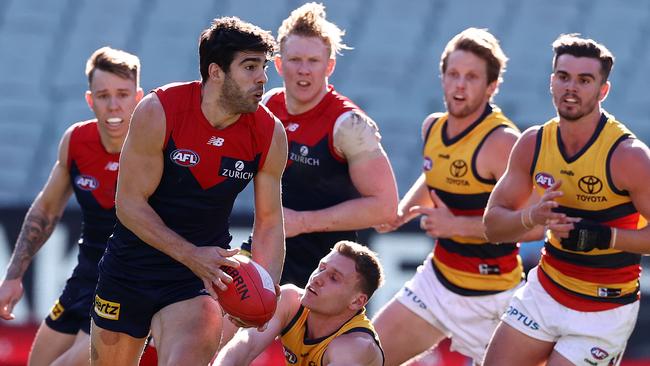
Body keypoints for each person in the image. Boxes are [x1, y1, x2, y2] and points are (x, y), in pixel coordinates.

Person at [89, 17, 287, 366]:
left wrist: (264, 291)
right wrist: (190, 253)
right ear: (215, 72)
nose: (262, 79)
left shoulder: (270, 133)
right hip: (131, 266)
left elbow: (270, 222)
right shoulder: (160, 111)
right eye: (250, 67)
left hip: (200, 278)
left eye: (263, 67)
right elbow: (129, 205)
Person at [372, 28, 541, 366]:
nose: (459, 85)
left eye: (472, 77)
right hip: (435, 283)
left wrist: (457, 225)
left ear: (492, 86)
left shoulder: (503, 142)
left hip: (493, 300)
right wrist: (404, 210)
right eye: (453, 74)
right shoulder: (433, 127)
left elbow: (536, 226)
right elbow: (434, 172)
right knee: (360, 356)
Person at [482, 34, 650, 366]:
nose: (571, 87)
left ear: (603, 90)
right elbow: (492, 226)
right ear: (551, 81)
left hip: (605, 309)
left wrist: (605, 236)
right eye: (563, 77)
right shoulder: (533, 143)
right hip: (544, 293)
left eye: (584, 80)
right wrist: (533, 217)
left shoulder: (629, 157)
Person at [0, 47, 143, 366]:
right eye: (104, 95)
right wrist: (12, 277)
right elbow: (46, 211)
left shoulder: (155, 147)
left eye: (123, 94)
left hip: (128, 286)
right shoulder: (77, 141)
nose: (114, 105)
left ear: (138, 96)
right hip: (84, 278)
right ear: (90, 100)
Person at [243, 2, 398, 288]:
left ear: (329, 65)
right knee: (213, 315)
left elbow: (385, 207)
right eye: (295, 60)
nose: (304, 70)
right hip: (265, 248)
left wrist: (303, 222)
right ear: (278, 64)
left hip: (325, 272)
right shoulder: (266, 106)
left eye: (313, 61)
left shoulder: (348, 125)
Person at [215, 240, 384, 366]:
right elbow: (243, 347)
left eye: (333, 278)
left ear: (357, 301)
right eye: (321, 268)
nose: (317, 278)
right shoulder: (291, 300)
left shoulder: (354, 346)